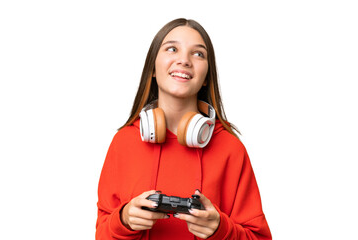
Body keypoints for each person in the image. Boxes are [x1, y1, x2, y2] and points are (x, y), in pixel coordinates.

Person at [96, 18, 272, 240]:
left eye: (198, 54)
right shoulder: (123, 142)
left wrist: (221, 230)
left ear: (207, 77)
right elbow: (102, 233)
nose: (184, 60)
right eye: (172, 49)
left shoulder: (230, 148)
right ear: (152, 67)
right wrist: (123, 221)